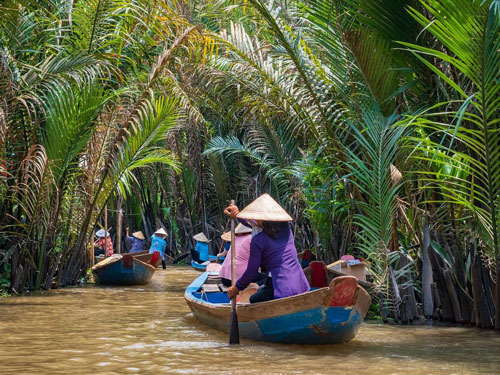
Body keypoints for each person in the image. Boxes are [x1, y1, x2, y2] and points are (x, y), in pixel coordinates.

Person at [225, 194, 310, 303]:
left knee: (253, 299)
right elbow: (255, 225)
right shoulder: (285, 228)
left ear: (262, 220)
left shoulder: (258, 240)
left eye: (255, 217)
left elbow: (251, 272)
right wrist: (236, 215)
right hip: (300, 283)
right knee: (261, 288)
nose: (252, 220)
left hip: (280, 287)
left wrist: (236, 288)